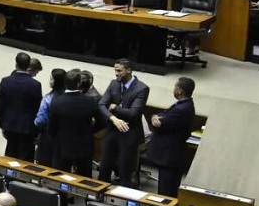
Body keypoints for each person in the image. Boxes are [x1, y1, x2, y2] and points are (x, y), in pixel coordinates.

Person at [97, 59, 150, 188]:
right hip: (112, 129)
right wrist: (113, 118)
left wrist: (115, 108)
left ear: (129, 70)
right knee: (104, 167)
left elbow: (133, 113)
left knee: (125, 170)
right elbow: (102, 104)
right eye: (115, 70)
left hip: (129, 132)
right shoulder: (114, 84)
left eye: (119, 71)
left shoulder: (142, 88)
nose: (116, 73)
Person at [145, 77, 196, 197]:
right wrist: (154, 116)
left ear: (179, 90)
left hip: (170, 157)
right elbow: (161, 115)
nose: (173, 89)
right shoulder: (183, 104)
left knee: (167, 193)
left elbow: (160, 124)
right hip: (170, 157)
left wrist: (154, 119)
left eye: (175, 87)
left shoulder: (182, 108)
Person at [48, 70, 102, 180]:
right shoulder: (90, 101)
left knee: (60, 178)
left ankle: (62, 197)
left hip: (62, 145)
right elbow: (102, 122)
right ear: (78, 84)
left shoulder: (56, 102)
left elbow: (51, 127)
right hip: (84, 146)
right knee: (85, 179)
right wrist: (89, 131)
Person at [0, 52, 43, 159]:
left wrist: (3, 125)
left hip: (9, 126)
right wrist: (36, 131)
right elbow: (37, 109)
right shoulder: (35, 85)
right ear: (28, 66)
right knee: (25, 162)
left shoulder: (5, 81)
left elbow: (1, 105)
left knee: (9, 158)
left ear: (16, 64)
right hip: (27, 129)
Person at [32, 68, 66, 166]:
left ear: (56, 81)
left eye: (51, 79)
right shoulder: (69, 98)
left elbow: (40, 121)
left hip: (48, 138)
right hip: (64, 141)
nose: (50, 81)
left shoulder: (48, 98)